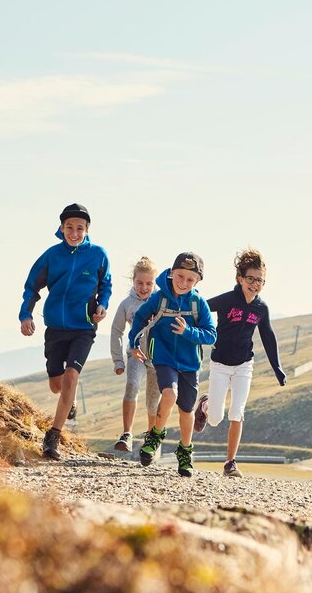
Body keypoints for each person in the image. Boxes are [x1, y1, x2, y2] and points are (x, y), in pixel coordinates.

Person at [18, 203, 111, 461]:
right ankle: (69, 402)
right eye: (69, 227)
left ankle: (53, 436)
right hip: (56, 327)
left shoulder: (98, 255)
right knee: (56, 385)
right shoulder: (51, 255)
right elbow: (31, 287)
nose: (74, 232)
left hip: (83, 328)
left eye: (79, 228)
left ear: (87, 229)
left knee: (71, 377)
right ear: (61, 228)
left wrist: (102, 305)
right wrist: (25, 315)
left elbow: (106, 285)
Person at [194, 248, 286, 477]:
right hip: (220, 365)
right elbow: (200, 307)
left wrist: (278, 368)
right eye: (251, 279)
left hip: (244, 365)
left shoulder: (261, 308)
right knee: (215, 419)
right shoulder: (227, 300)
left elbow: (268, 336)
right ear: (240, 278)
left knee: (237, 412)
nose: (255, 284)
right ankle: (205, 405)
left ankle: (230, 463)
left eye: (260, 281)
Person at [128, 252, 217, 477]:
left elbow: (211, 335)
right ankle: (156, 435)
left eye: (190, 279)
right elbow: (140, 317)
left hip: (190, 364)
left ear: (197, 282)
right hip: (164, 357)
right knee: (169, 395)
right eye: (180, 276)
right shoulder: (159, 298)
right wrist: (133, 342)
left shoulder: (199, 304)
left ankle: (185, 452)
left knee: (186, 411)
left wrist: (188, 331)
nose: (183, 283)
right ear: (171, 273)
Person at [109, 257, 162, 452]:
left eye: (149, 283)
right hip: (136, 354)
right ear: (133, 280)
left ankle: (151, 440)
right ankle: (127, 434)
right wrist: (118, 360)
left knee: (152, 401)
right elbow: (116, 331)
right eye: (140, 283)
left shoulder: (162, 301)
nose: (144, 287)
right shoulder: (126, 304)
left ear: (155, 283)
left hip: (158, 357)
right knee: (132, 386)